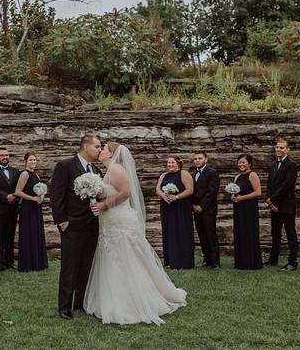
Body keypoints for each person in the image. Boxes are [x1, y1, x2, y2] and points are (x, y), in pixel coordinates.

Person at [85, 142, 187, 325]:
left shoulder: (117, 169)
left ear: (112, 153)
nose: (100, 151)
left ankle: (135, 301)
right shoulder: (107, 170)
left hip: (120, 220)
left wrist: (103, 204)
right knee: (113, 258)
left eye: (104, 149)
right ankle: (114, 297)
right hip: (109, 221)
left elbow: (125, 193)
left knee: (127, 257)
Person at [50, 135, 102, 320]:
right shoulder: (65, 166)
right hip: (71, 225)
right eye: (97, 146)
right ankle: (64, 306)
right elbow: (56, 195)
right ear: (85, 146)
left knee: (86, 265)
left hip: (92, 226)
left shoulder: (96, 170)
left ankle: (80, 303)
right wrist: (61, 220)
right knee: (69, 267)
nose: (99, 150)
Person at [266, 138, 299, 272]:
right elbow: (270, 184)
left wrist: (273, 200)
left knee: (290, 233)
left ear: (287, 150)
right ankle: (273, 259)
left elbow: (287, 186)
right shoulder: (273, 164)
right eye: (277, 147)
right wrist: (270, 201)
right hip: (275, 206)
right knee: (275, 233)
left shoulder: (291, 164)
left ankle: (292, 262)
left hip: (286, 205)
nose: (278, 149)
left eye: (282, 148)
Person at [155, 156, 195, 269]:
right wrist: (163, 196)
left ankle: (183, 262)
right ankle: (170, 261)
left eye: (172, 162)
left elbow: (190, 190)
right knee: (168, 231)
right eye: (168, 162)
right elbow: (157, 189)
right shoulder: (164, 175)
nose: (170, 164)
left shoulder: (184, 174)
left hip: (181, 207)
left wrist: (176, 197)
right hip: (166, 206)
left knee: (181, 231)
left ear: (178, 163)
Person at [14, 153, 48, 272]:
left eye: (34, 159)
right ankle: (27, 263)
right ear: (26, 161)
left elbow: (41, 188)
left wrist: (42, 196)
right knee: (29, 232)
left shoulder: (36, 174)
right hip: (27, 207)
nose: (33, 162)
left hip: (35, 207)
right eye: (30, 160)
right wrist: (33, 198)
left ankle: (37, 262)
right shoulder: (25, 173)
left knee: (36, 232)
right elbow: (17, 192)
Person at [230, 154, 263, 270]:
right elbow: (235, 192)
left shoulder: (252, 175)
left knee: (249, 232)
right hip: (239, 208)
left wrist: (242, 198)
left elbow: (258, 192)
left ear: (249, 164)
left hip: (249, 208)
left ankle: (251, 261)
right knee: (240, 232)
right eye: (239, 162)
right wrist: (233, 197)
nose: (241, 164)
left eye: (243, 162)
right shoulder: (237, 177)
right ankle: (241, 261)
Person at [189, 152, 221, 269]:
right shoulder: (192, 174)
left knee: (210, 234)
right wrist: (193, 205)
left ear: (205, 159)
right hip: (195, 209)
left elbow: (212, 191)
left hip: (208, 209)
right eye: (195, 159)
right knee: (201, 234)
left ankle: (215, 261)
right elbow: (191, 191)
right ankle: (206, 259)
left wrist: (202, 206)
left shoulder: (212, 172)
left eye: (200, 158)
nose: (197, 160)